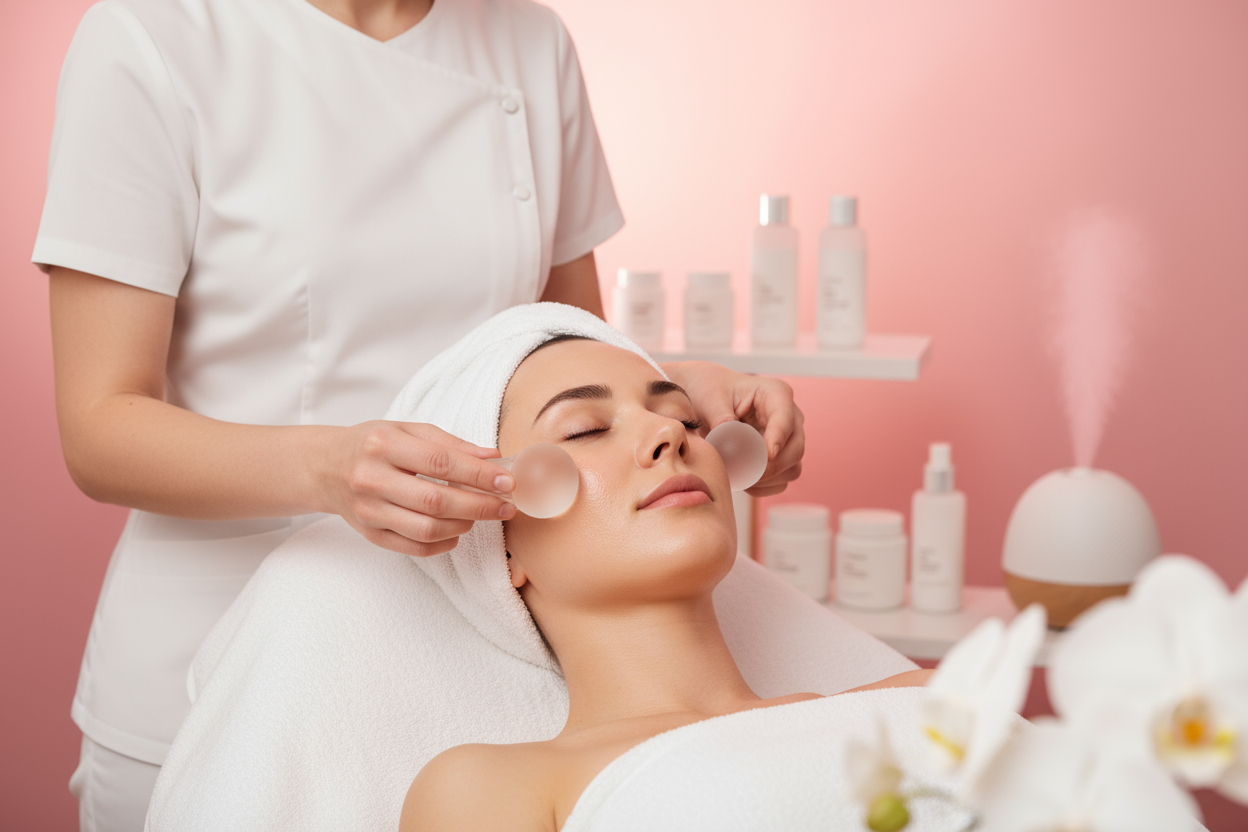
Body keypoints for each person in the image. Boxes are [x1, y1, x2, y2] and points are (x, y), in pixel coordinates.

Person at [33, 1, 805, 828]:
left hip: (487, 658)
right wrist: (328, 470)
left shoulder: (528, 41)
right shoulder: (156, 35)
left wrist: (678, 394)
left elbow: (565, 345)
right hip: (215, 655)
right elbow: (100, 426)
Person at [399, 334, 928, 831]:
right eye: (585, 429)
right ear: (501, 546)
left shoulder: (922, 706)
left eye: (686, 419)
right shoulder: (492, 789)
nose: (669, 433)